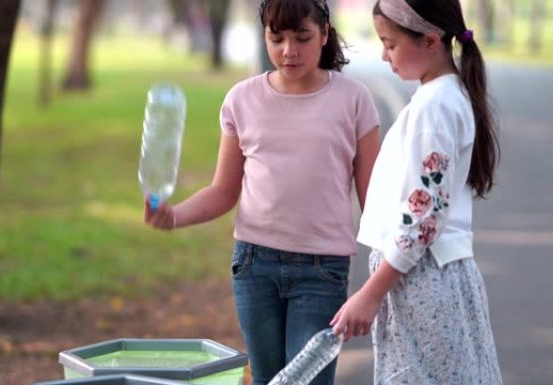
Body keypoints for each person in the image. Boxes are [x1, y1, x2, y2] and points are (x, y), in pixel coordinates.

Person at [144, 1, 381, 384]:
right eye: (277, 38)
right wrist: (174, 216)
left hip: (322, 271)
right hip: (255, 266)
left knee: (308, 380)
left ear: (324, 34)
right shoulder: (242, 99)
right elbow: (223, 191)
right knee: (268, 379)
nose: (289, 50)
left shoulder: (354, 100)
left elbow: (374, 202)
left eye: (302, 37)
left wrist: (383, 280)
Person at [330, 0, 503, 383]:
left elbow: (422, 220)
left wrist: (370, 294)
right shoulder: (444, 96)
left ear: (429, 41)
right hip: (428, 277)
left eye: (390, 44)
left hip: (423, 282)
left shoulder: (435, 108)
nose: (384, 54)